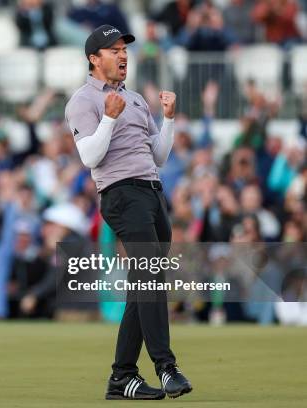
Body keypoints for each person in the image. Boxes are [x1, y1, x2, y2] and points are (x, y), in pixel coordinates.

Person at [65, 25, 192, 400]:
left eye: (124, 49)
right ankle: (166, 366)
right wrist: (108, 118)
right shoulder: (83, 100)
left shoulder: (134, 99)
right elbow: (89, 156)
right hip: (121, 194)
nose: (123, 56)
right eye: (113, 50)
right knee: (150, 275)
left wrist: (168, 120)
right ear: (94, 58)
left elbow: (158, 155)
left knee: (144, 284)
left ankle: (122, 377)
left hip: (153, 193)